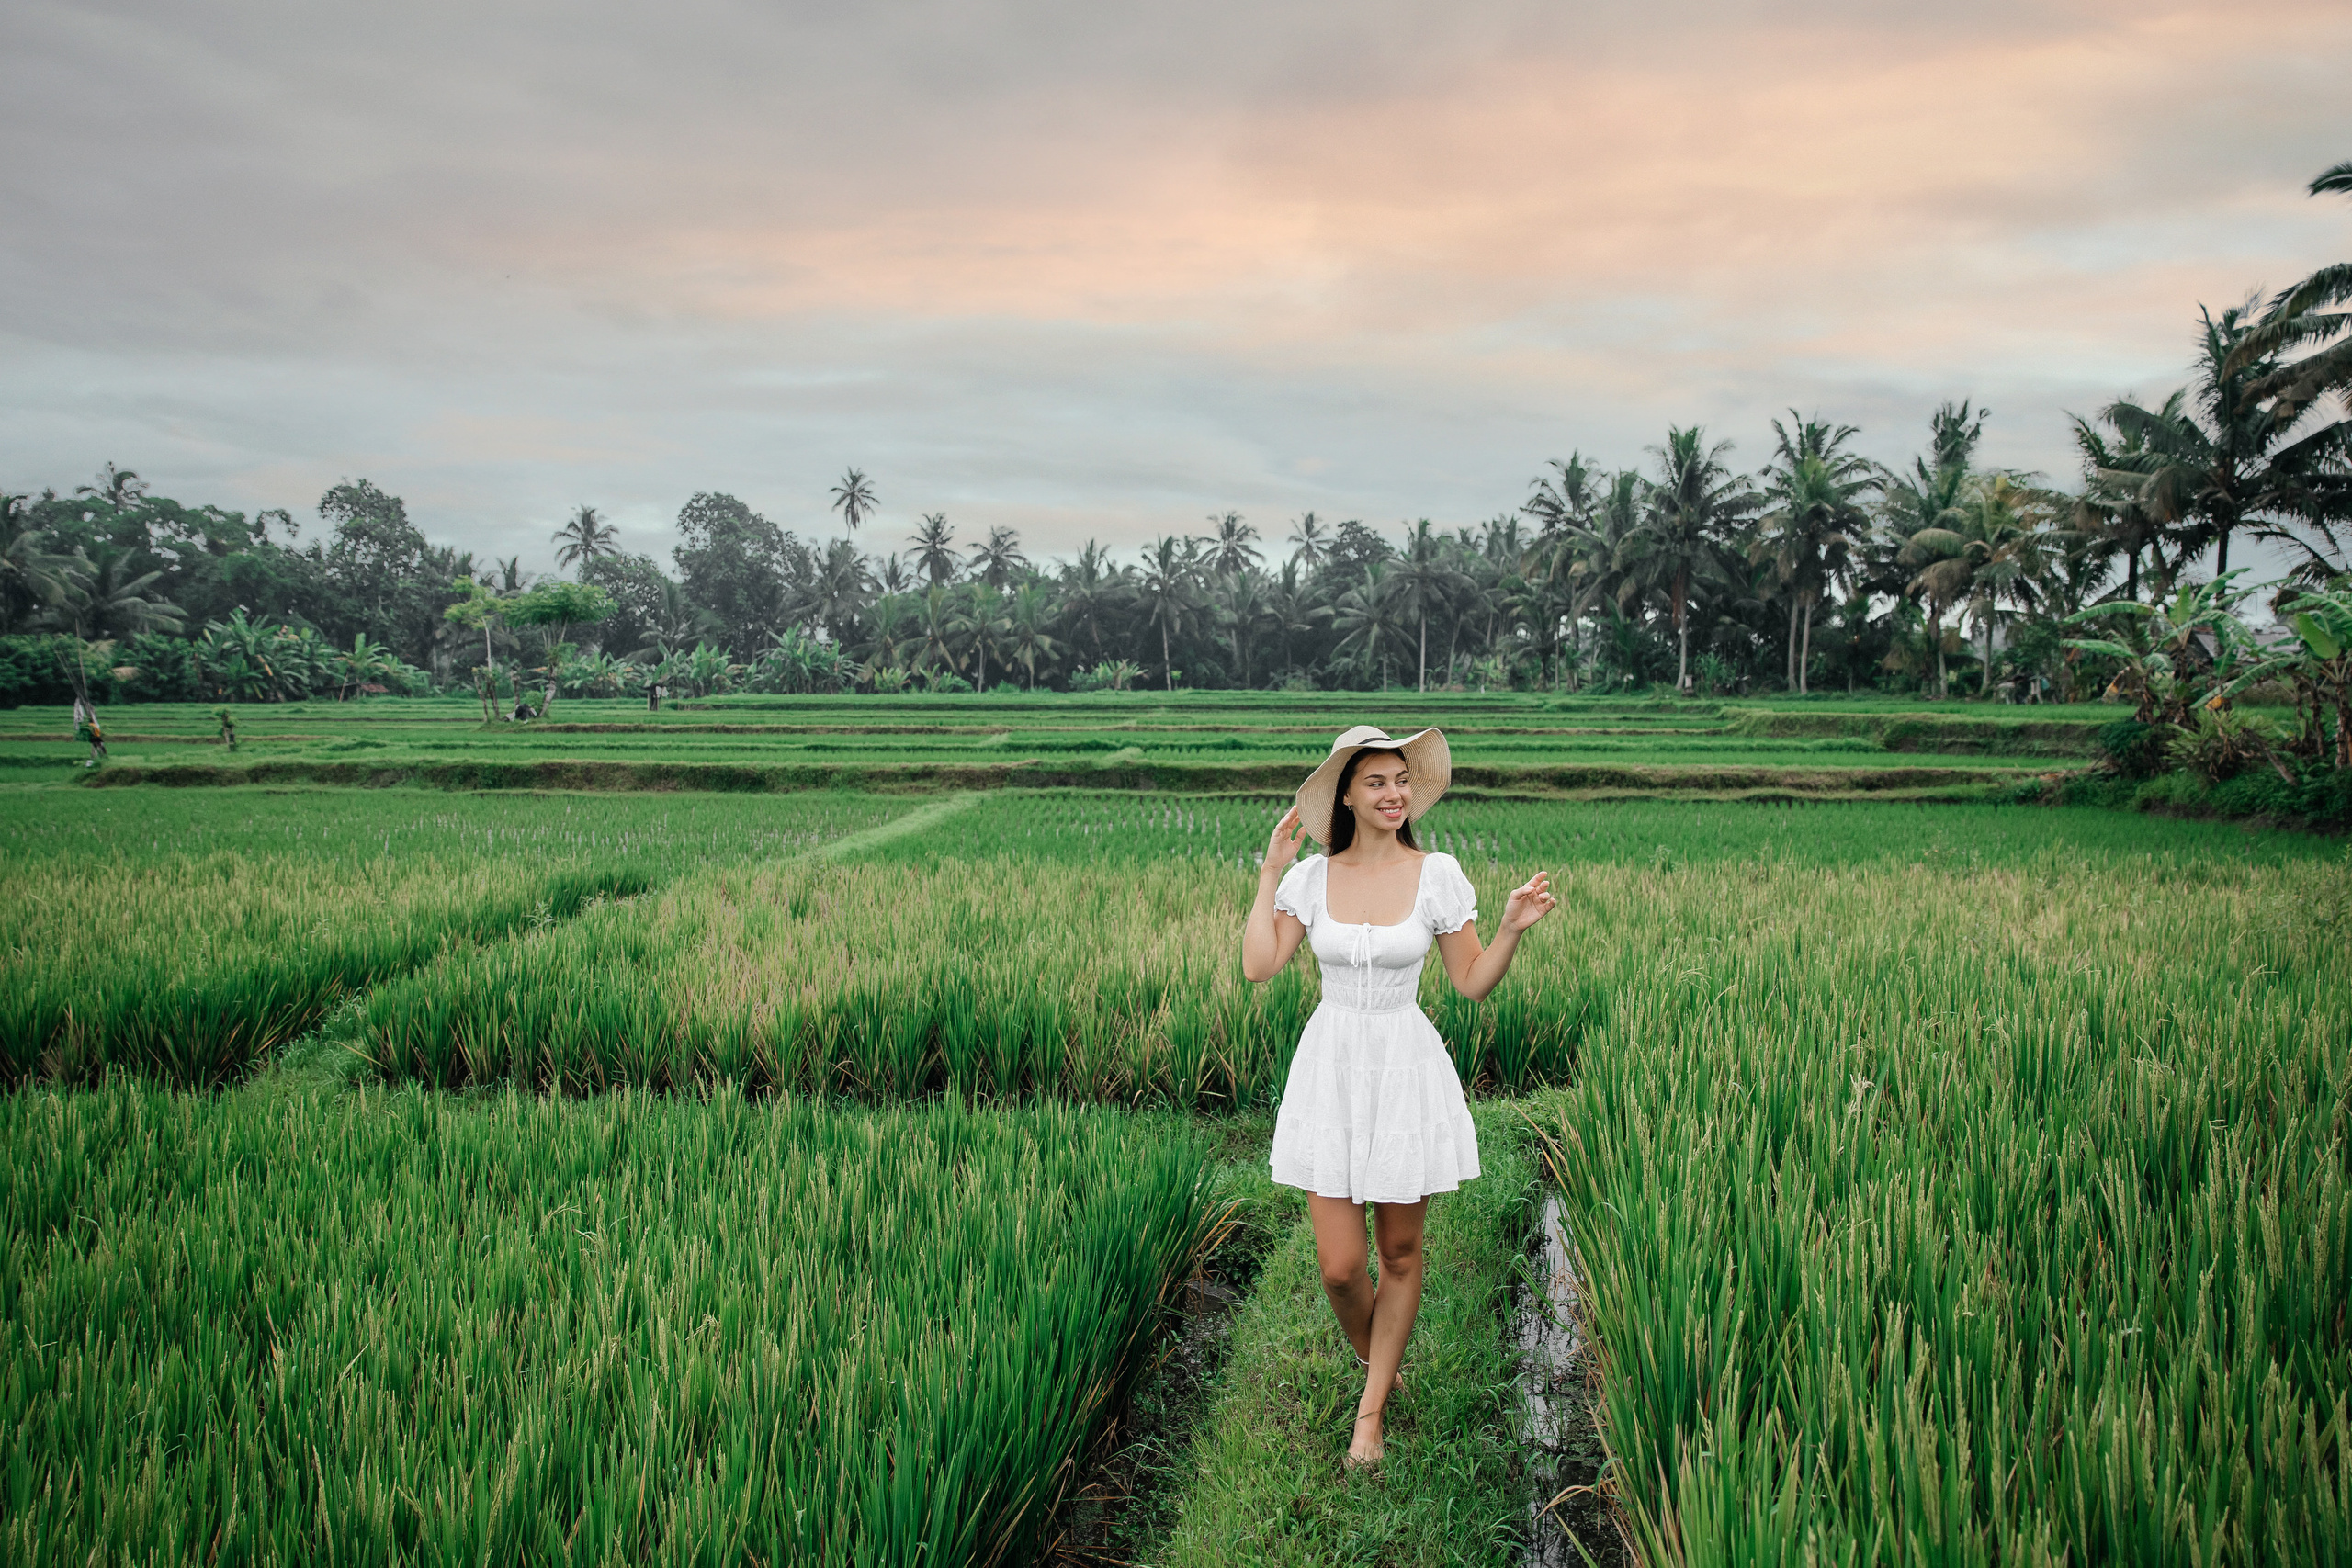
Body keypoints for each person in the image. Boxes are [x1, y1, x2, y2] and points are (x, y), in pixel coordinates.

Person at [1240, 724, 1555, 1470]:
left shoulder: (1438, 873)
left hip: (1405, 1065)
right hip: (1332, 1068)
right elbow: (1260, 964)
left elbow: (1472, 982)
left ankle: (1371, 1413)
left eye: (1401, 781)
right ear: (1345, 792)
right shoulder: (1309, 879)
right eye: (1376, 781)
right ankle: (1382, 1365)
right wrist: (1267, 874)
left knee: (1400, 1251)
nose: (1393, 793)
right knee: (1342, 1268)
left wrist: (1510, 928)